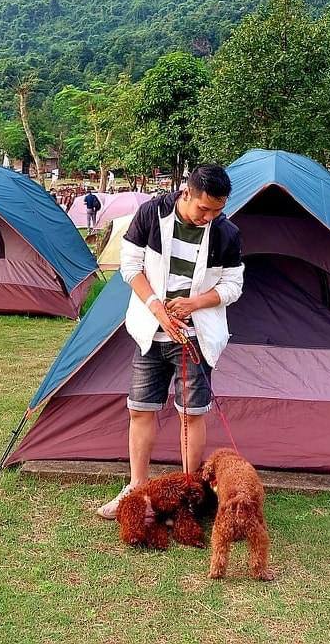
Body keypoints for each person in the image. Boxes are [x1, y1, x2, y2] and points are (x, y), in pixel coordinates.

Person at [97, 163, 245, 520]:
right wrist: (158, 310)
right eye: (203, 209)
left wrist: (195, 303)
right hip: (151, 332)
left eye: (217, 210)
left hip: (195, 339)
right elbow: (130, 268)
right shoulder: (151, 213)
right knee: (140, 408)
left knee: (191, 414)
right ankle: (136, 486)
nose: (209, 217)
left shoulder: (226, 233)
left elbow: (233, 287)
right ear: (186, 193)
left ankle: (191, 494)